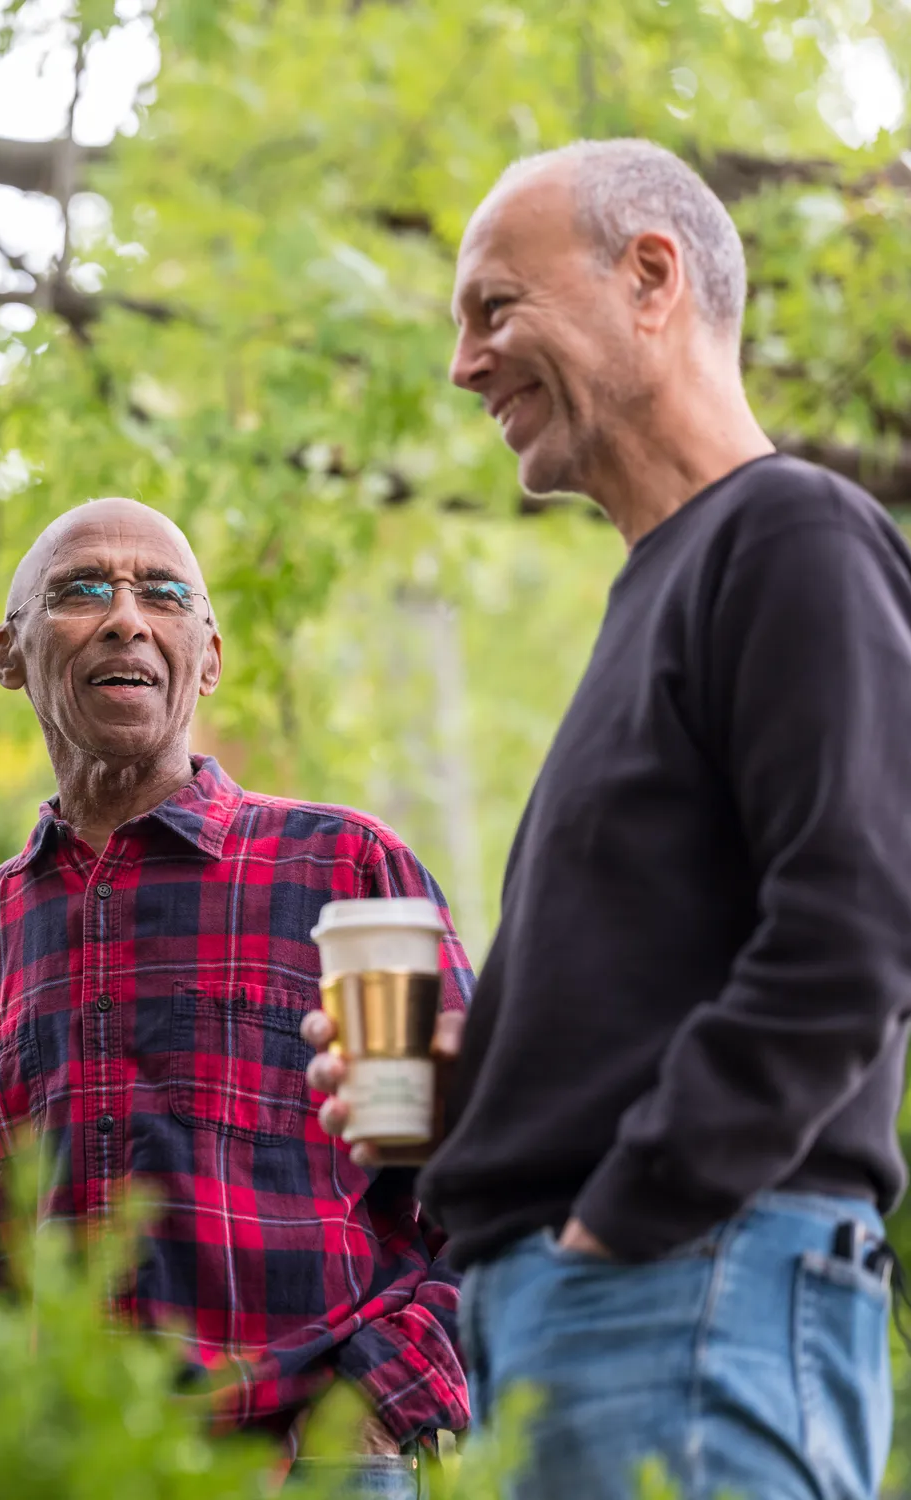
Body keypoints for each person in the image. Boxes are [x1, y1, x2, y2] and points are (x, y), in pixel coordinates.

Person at [307, 139, 911, 1499]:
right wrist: (471, 1094)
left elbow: (853, 933)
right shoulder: (653, 593)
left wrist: (623, 1216)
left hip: (687, 1291)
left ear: (651, 276)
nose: (464, 364)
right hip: (593, 1310)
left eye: (495, 307)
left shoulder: (793, 538)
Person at [0, 497, 471, 1494]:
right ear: (10, 655)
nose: (126, 618)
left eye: (163, 595)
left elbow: (489, 1180)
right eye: (82, 591)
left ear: (206, 659)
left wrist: (379, 1412)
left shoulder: (344, 871)